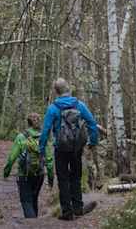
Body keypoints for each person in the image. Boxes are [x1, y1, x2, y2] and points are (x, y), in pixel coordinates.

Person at [39, 78, 99, 221]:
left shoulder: (53, 108)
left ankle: (67, 212)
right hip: (76, 148)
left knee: (63, 178)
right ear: (68, 89)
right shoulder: (79, 105)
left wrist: (41, 149)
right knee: (76, 177)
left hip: (60, 148)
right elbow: (92, 123)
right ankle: (78, 208)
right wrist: (93, 142)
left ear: (56, 92)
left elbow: (46, 130)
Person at [3, 112, 53, 218]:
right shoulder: (43, 137)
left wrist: (6, 172)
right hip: (39, 174)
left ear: (28, 123)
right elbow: (49, 160)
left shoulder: (21, 137)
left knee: (26, 201)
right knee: (34, 199)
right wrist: (50, 178)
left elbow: (12, 158)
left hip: (24, 174)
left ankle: (32, 223)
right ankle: (35, 222)